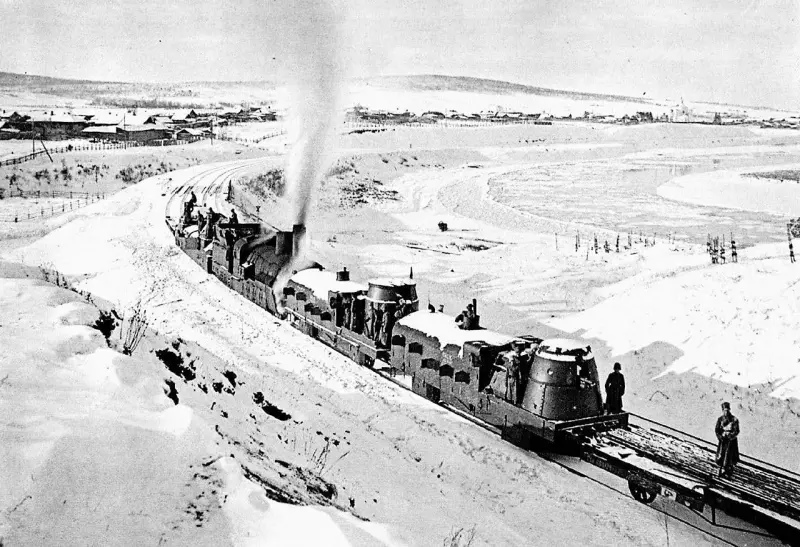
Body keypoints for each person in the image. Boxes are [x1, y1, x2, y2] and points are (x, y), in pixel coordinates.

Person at [715, 402, 740, 478]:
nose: (726, 412)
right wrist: (720, 436)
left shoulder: (734, 419)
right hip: (723, 441)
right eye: (724, 410)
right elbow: (717, 430)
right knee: (721, 455)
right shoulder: (720, 419)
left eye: (727, 410)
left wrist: (731, 436)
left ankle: (728, 470)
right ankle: (720, 469)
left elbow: (736, 430)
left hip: (731, 442)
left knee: (729, 456)